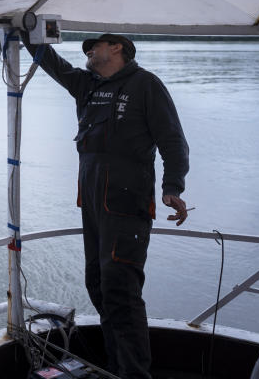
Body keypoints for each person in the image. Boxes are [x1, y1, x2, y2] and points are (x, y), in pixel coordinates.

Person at [21, 32, 190, 379]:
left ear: (117, 48)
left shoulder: (146, 85)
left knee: (122, 291)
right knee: (97, 283)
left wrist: (172, 186)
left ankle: (134, 374)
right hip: (93, 204)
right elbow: (51, 61)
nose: (88, 51)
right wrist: (27, 30)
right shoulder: (87, 86)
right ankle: (117, 366)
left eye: (93, 46)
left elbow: (172, 140)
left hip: (127, 205)